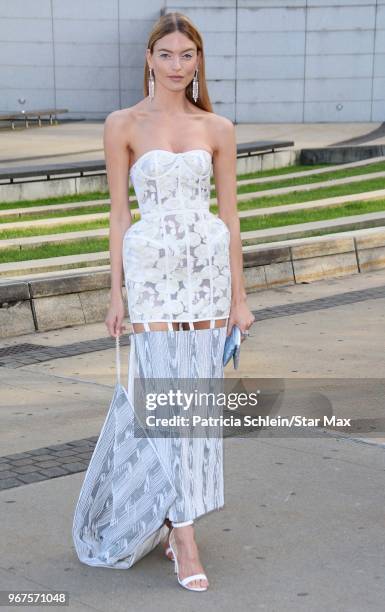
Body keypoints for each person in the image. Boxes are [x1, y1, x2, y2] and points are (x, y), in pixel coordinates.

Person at [82, 11, 254, 592]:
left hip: (206, 276)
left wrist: (240, 297)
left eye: (188, 56)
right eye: (167, 55)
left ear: (198, 61)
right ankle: (182, 535)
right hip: (152, 279)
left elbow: (229, 217)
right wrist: (115, 295)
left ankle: (171, 512)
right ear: (149, 59)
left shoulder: (219, 128)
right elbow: (119, 213)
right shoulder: (122, 123)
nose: (178, 66)